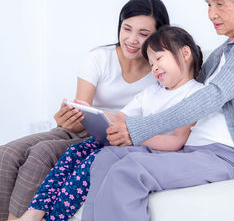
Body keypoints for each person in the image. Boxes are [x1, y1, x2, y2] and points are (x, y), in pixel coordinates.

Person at [82, 0, 234, 221]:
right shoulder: (221, 53)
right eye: (208, 5)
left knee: (129, 171)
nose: (212, 14)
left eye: (219, 4)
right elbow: (182, 93)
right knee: (107, 158)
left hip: (231, 157)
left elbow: (212, 96)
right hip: (195, 150)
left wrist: (139, 128)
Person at [0, 0, 170, 220]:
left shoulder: (160, 71)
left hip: (112, 140)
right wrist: (66, 119)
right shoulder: (99, 58)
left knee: (41, 154)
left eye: (143, 34)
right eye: (126, 28)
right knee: (7, 153)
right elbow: (81, 112)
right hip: (79, 130)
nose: (131, 39)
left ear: (158, 36)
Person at [14, 25, 204, 221]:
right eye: (151, 63)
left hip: (150, 149)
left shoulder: (196, 93)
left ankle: (52, 218)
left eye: (159, 59)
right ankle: (34, 212)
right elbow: (120, 117)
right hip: (128, 140)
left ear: (185, 53)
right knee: (74, 151)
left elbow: (176, 142)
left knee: (92, 162)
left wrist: (134, 137)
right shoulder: (152, 92)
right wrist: (89, 111)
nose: (154, 68)